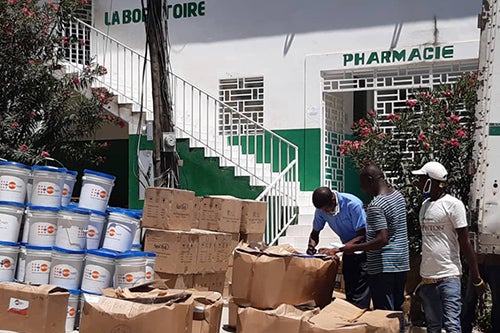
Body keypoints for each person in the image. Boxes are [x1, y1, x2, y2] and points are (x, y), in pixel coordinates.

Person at [412, 161, 487, 333]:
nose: (418, 183)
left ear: (431, 181)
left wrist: (476, 278)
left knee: (452, 325)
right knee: (433, 326)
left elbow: (465, 242)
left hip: (449, 276)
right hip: (428, 278)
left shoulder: (453, 205)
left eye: (422, 179)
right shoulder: (424, 207)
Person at [335, 164, 409, 320]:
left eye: (362, 185)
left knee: (384, 316)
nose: (362, 189)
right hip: (401, 263)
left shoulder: (377, 205)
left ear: (370, 180)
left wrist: (351, 247)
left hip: (382, 268)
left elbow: (381, 239)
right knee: (398, 312)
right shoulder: (398, 197)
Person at [306, 187, 370, 309]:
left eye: (326, 209)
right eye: (322, 210)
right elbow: (315, 232)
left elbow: (362, 235)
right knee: (350, 289)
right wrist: (311, 246)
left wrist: (336, 250)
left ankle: (360, 319)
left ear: (333, 199)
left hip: (363, 250)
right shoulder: (321, 209)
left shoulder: (352, 204)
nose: (325, 212)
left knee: (360, 292)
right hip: (347, 250)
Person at [461, 254, 500, 333]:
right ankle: (464, 329)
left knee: (498, 304)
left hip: (497, 263)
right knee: (469, 301)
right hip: (477, 263)